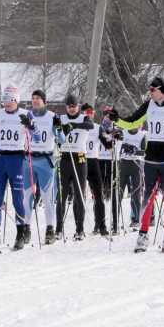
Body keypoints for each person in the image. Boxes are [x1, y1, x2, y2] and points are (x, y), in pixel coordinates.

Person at [108, 77, 164, 253]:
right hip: (151, 159)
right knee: (147, 198)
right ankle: (143, 235)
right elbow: (132, 122)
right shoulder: (149, 105)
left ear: (162, 89)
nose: (150, 92)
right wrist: (117, 120)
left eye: (152, 89)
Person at [0, 84, 41, 250]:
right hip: (0, 159)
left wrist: (31, 125)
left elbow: (36, 138)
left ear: (17, 100)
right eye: (4, 99)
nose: (6, 102)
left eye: (10, 99)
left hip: (17, 160)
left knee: (17, 201)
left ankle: (20, 236)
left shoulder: (26, 114)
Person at [55, 94, 96, 241]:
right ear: (66, 107)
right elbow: (54, 129)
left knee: (79, 196)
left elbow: (90, 125)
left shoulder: (84, 118)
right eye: (69, 106)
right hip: (65, 158)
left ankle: (80, 229)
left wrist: (73, 126)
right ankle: (58, 229)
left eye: (74, 106)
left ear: (78, 106)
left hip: (79, 160)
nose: (71, 109)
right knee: (62, 196)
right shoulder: (60, 118)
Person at [25, 89, 63, 245]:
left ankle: (49, 230)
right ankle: (26, 229)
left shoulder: (52, 116)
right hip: (29, 159)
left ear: (44, 101)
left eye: (38, 98)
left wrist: (60, 128)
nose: (35, 101)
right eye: (33, 98)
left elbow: (60, 138)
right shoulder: (27, 116)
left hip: (46, 160)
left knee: (47, 198)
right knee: (27, 197)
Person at [81, 103, 113, 236]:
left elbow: (107, 143)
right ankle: (79, 228)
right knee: (79, 196)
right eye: (87, 112)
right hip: (80, 161)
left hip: (93, 162)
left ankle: (102, 226)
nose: (90, 115)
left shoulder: (97, 128)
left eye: (92, 112)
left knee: (99, 195)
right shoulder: (77, 126)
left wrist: (113, 140)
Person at [114, 123, 146, 233]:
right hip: (124, 165)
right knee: (119, 192)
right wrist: (124, 147)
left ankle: (137, 219)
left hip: (136, 164)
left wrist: (134, 151)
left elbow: (144, 151)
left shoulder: (141, 135)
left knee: (136, 193)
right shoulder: (123, 133)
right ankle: (115, 220)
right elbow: (117, 147)